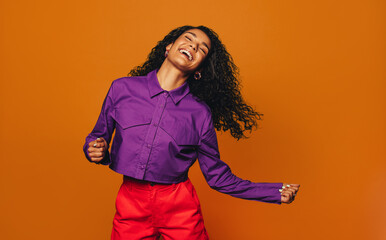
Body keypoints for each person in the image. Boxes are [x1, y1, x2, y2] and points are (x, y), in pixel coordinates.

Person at [83, 25, 300, 240]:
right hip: (130, 203)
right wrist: (95, 149)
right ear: (168, 47)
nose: (193, 46)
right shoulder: (122, 89)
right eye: (188, 38)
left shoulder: (200, 114)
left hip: (179, 206)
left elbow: (218, 177)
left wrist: (272, 192)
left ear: (199, 70)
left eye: (202, 49)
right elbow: (97, 136)